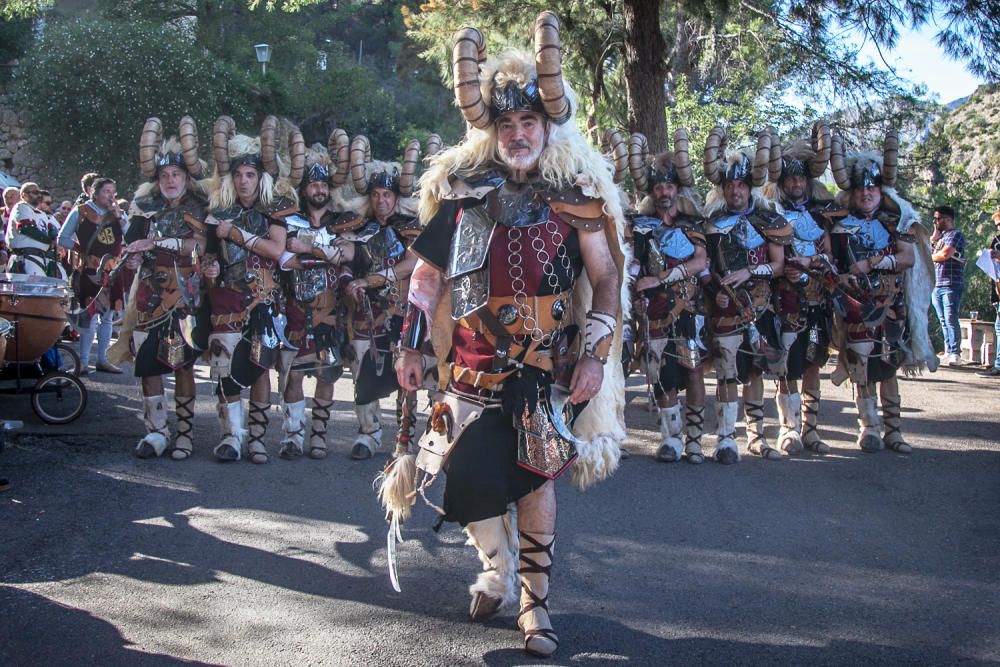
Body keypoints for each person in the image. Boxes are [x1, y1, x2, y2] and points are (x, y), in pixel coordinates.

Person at [380, 13, 626, 658]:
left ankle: (534, 608)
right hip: (468, 363)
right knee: (464, 478)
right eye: (507, 124)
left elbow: (605, 282)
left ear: (548, 128)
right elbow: (426, 281)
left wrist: (596, 357)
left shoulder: (578, 199)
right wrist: (409, 345)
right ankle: (495, 564)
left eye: (529, 123)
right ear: (492, 132)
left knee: (535, 478)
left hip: (548, 364)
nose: (518, 134)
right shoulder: (462, 198)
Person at [827, 131, 936, 453]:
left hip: (889, 305)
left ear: (880, 189)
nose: (866, 193)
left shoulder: (896, 222)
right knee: (860, 366)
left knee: (888, 366)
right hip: (855, 305)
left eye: (871, 188)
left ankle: (894, 430)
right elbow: (833, 260)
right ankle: (868, 428)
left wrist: (874, 261)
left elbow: (908, 257)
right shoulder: (839, 224)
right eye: (861, 188)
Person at [202, 116, 301, 464]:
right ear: (231, 178)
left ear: (260, 178)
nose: (244, 181)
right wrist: (210, 268)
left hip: (264, 301)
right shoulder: (217, 212)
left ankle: (257, 437)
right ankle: (231, 436)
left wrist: (236, 234)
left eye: (250, 175)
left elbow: (276, 250)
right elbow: (210, 259)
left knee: (260, 368)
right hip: (226, 299)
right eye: (239, 175)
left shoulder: (275, 210)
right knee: (223, 366)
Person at [117, 117, 210, 460]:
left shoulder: (200, 208)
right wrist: (131, 261)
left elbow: (197, 246)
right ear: (157, 180)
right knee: (147, 364)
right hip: (148, 296)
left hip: (185, 294)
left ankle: (184, 434)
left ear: (186, 178)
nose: (170, 181)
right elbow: (132, 249)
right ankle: (156, 431)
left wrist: (159, 241)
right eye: (164, 176)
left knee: (183, 363)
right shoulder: (145, 209)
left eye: (176, 175)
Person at [703, 128, 790, 463]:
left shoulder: (769, 219)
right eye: (729, 185)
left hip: (761, 306)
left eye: (740, 185)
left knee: (755, 372)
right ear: (722, 188)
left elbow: (779, 265)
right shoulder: (711, 223)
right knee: (727, 372)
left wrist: (751, 272)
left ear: (749, 186)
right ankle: (725, 438)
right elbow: (705, 266)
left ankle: (756, 435)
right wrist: (715, 291)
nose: (735, 191)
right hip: (725, 309)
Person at [628, 131, 709, 463]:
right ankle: (671, 438)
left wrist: (659, 277)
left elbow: (700, 262)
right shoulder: (641, 226)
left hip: (688, 308)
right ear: (652, 191)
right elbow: (632, 260)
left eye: (669, 187)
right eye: (658, 187)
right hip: (653, 310)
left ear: (678, 190)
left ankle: (694, 439)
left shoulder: (693, 223)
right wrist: (632, 283)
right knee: (659, 371)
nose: (663, 192)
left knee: (693, 369)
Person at [276, 135, 357, 459]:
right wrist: (323, 255)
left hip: (329, 310)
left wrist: (308, 249)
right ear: (304, 189)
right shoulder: (289, 220)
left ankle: (319, 435)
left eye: (324, 185)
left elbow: (344, 256)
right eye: (313, 185)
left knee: (327, 374)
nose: (319, 190)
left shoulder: (342, 223)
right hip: (296, 309)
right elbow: (284, 259)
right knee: (292, 375)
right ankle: (293, 436)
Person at [341, 136, 422, 460]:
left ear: (395, 196)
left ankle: (405, 437)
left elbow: (412, 263)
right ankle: (368, 434)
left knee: (408, 374)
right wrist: (349, 281)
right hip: (366, 313)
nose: (381, 200)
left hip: (402, 311)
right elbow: (346, 261)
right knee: (362, 367)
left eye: (386, 194)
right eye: (375, 195)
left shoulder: (412, 227)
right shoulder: (359, 228)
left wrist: (375, 278)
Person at [761, 123, 837, 454]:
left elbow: (831, 254)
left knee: (812, 362)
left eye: (800, 177)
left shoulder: (823, 213)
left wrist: (817, 261)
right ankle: (788, 428)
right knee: (787, 363)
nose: (795, 182)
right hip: (784, 298)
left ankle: (811, 428)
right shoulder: (769, 212)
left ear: (808, 180)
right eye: (790, 178)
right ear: (781, 181)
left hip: (817, 297)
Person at [57, 177, 126, 374]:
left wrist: (120, 216)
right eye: (106, 192)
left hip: (112, 270)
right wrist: (83, 251)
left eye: (113, 192)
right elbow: (63, 238)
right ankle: (84, 362)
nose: (111, 196)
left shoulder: (117, 214)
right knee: (91, 316)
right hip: (90, 270)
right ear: (93, 193)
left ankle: (103, 359)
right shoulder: (81, 212)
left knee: (107, 317)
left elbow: (130, 236)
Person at [929, 205, 966, 366]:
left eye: (938, 219)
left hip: (951, 283)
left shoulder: (955, 235)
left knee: (951, 318)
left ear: (948, 219)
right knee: (943, 319)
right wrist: (934, 238)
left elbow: (945, 254)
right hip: (936, 283)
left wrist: (932, 256)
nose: (935, 222)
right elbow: (929, 252)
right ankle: (948, 349)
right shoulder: (940, 238)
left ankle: (955, 353)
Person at [4, 182, 63, 278]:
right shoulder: (21, 207)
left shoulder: (42, 214)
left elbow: (51, 229)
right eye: (35, 192)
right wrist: (50, 241)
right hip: (25, 258)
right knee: (33, 290)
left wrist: (55, 237)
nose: (39, 195)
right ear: (24, 195)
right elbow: (27, 228)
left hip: (42, 258)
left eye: (39, 192)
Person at [976, 209, 1000, 378]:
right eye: (997, 225)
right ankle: (998, 364)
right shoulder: (997, 240)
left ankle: (998, 365)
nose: (999, 228)